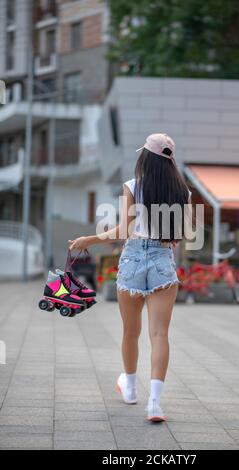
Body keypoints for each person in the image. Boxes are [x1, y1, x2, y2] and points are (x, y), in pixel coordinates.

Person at [69, 133, 192, 422]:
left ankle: (131, 389)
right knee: (160, 334)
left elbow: (123, 232)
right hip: (163, 259)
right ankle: (155, 404)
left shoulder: (133, 186)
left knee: (130, 332)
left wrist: (89, 239)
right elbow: (181, 235)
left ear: (145, 157)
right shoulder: (182, 192)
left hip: (134, 257)